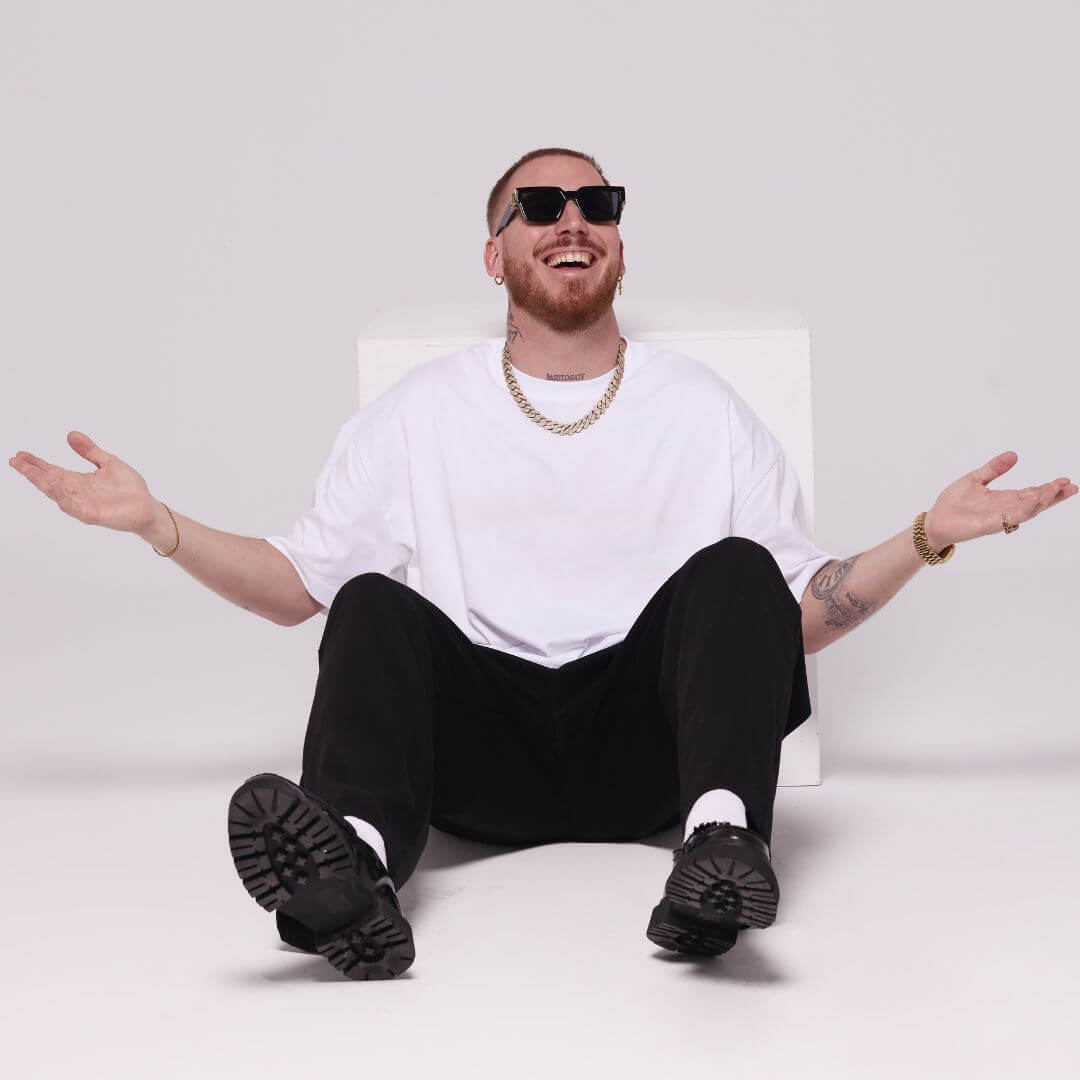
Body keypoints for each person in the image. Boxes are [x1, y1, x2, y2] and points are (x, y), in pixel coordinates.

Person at [10, 147, 1075, 982]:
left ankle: (719, 853)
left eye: (596, 204)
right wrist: (158, 525)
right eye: (540, 205)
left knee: (738, 565)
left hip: (651, 750)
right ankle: (355, 871)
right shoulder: (420, 412)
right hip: (480, 754)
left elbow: (787, 613)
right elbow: (300, 588)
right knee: (372, 600)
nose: (573, 219)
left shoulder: (703, 410)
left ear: (618, 243)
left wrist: (927, 537)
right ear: (496, 254)